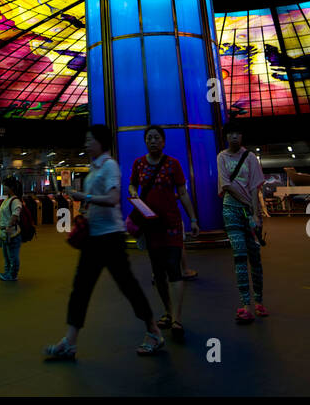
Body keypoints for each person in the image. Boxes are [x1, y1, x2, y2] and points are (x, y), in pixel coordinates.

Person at [43, 124, 165, 360]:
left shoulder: (110, 166)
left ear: (101, 142)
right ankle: (70, 341)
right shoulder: (94, 167)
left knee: (127, 286)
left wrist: (84, 197)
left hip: (111, 238)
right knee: (81, 289)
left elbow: (111, 199)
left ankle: (154, 332)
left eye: (90, 140)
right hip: (94, 238)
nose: (86, 144)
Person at [129, 126, 200, 340]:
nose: (153, 141)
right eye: (149, 138)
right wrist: (133, 194)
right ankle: (168, 312)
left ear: (164, 142)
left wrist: (193, 219)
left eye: (156, 138)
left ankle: (177, 318)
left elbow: (183, 193)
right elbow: (132, 185)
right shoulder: (138, 164)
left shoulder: (173, 164)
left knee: (173, 268)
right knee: (158, 272)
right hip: (151, 226)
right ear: (145, 141)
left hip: (171, 224)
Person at [217, 129, 267, 323]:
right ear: (226, 137)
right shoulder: (222, 156)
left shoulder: (250, 157)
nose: (234, 137)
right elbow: (226, 184)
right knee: (239, 257)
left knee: (255, 257)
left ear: (242, 136)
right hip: (231, 209)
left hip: (250, 212)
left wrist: (256, 213)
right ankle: (246, 305)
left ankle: (259, 302)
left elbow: (255, 186)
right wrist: (246, 204)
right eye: (230, 134)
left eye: (238, 133)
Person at [0, 177, 24, 281]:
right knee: (7, 256)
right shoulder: (7, 199)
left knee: (12, 255)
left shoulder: (15, 200)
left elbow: (15, 215)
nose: (4, 188)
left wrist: (9, 227)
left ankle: (13, 275)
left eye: (5, 186)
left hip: (12, 233)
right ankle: (7, 272)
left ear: (11, 188)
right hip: (4, 232)